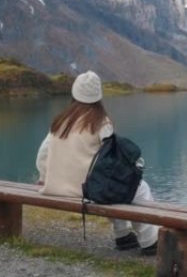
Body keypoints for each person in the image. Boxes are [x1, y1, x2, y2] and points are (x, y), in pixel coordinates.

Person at [35, 70, 159, 255]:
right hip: (86, 191)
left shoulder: (61, 121)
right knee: (137, 188)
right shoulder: (99, 122)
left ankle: (124, 236)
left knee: (116, 188)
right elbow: (113, 163)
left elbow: (43, 155)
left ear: (75, 93)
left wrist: (45, 177)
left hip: (55, 187)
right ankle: (150, 242)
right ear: (97, 97)